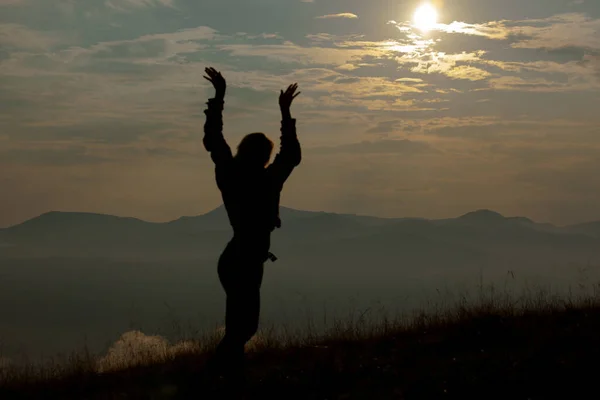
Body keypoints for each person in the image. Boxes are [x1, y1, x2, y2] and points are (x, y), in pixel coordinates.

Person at [202, 67, 302, 384]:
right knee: (243, 328)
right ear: (264, 156)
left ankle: (227, 376)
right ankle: (216, 377)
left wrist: (219, 97)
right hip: (245, 259)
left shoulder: (230, 174)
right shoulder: (268, 180)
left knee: (241, 327)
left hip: (236, 258)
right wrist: (286, 113)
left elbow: (214, 140)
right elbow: (291, 156)